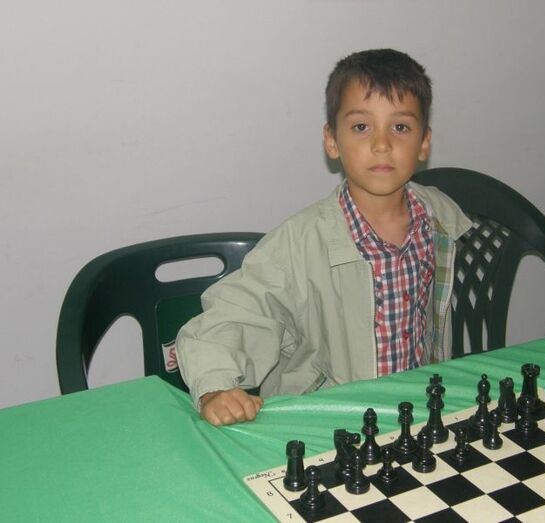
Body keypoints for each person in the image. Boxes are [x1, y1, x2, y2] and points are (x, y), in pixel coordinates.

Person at [176, 49, 472, 426]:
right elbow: (235, 314)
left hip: (414, 415)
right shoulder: (297, 243)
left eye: (400, 127)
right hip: (326, 422)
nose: (382, 144)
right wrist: (216, 386)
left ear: (424, 142)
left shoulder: (437, 220)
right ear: (331, 141)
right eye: (361, 127)